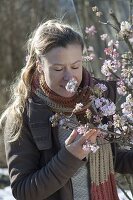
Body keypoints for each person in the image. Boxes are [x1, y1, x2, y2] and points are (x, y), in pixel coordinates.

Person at [0, 19, 133, 200]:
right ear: (39, 65)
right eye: (58, 68)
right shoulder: (22, 116)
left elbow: (110, 156)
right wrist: (70, 157)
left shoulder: (97, 100)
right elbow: (24, 191)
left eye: (75, 66)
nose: (69, 77)